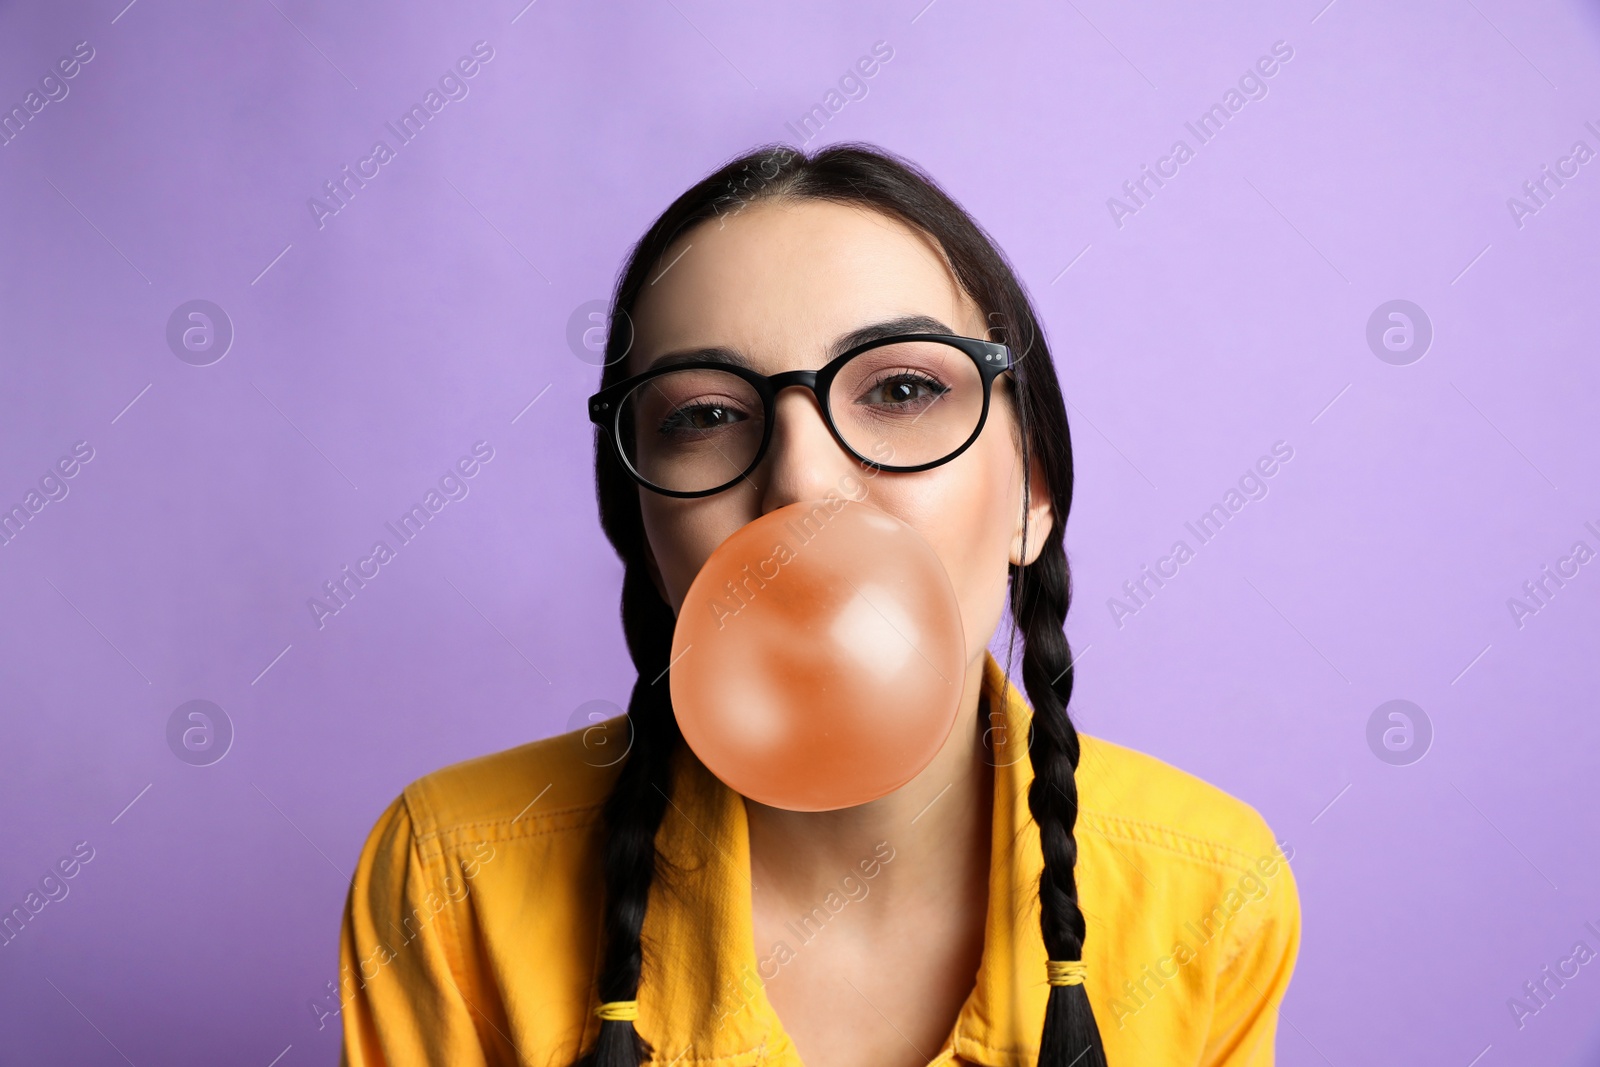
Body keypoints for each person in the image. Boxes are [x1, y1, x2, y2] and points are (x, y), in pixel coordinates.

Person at [337, 143, 1300, 1067]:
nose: (802, 484)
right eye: (706, 415)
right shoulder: (452, 873)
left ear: (1032, 495)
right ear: (643, 525)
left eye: (904, 387)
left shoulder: (1208, 888)